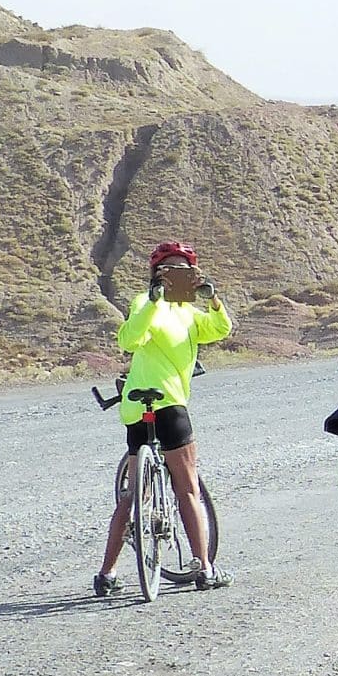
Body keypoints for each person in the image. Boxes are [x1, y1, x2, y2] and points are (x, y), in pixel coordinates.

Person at [95, 241, 230, 594]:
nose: (174, 277)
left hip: (135, 404)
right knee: (186, 488)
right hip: (169, 404)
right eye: (169, 271)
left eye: (181, 272)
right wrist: (155, 302)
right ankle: (205, 568)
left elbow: (220, 328)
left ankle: (106, 575)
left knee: (131, 494)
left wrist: (212, 299)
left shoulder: (188, 312)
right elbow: (130, 339)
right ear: (157, 277)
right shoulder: (147, 304)